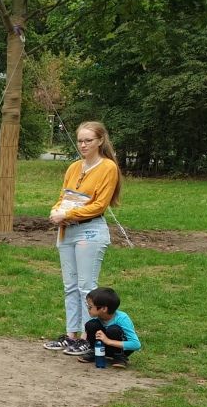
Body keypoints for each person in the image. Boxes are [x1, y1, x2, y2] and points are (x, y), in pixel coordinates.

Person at [43, 121, 121, 357]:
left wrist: (68, 213)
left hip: (89, 230)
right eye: (80, 140)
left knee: (86, 286)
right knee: (70, 286)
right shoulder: (74, 167)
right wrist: (56, 212)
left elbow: (99, 205)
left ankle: (89, 337)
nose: (83, 145)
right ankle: (71, 335)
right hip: (67, 230)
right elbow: (63, 197)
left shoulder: (108, 167)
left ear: (100, 141)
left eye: (88, 140)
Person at [76, 287, 140, 369]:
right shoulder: (96, 317)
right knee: (91, 325)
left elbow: (136, 344)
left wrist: (108, 341)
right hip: (103, 346)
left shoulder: (122, 319)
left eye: (90, 306)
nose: (88, 309)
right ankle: (95, 352)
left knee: (114, 329)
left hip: (120, 348)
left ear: (104, 309)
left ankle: (119, 357)